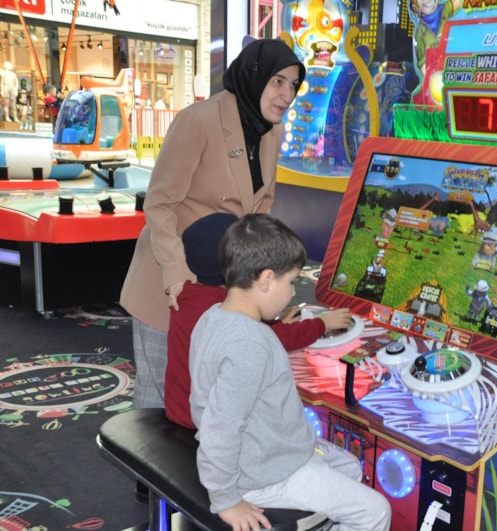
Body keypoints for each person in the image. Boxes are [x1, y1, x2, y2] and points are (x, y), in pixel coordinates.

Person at [119, 38, 306, 409]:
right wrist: (176, 273)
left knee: (204, 399)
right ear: (254, 77)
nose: (287, 95)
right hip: (170, 281)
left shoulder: (271, 132)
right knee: (158, 403)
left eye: (293, 85)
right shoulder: (199, 121)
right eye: (277, 82)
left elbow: (260, 209)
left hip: (219, 286)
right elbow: (159, 203)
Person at [190, 213, 392, 530]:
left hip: (268, 451)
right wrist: (226, 499)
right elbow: (220, 428)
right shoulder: (249, 343)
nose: (294, 293)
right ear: (266, 280)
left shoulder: (213, 316)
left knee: (351, 467)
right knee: (376, 511)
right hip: (261, 474)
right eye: (291, 282)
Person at [164, 212, 352, 429]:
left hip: (179, 410)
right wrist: (323, 324)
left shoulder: (186, 296)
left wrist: (275, 322)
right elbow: (274, 338)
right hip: (205, 425)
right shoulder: (228, 314)